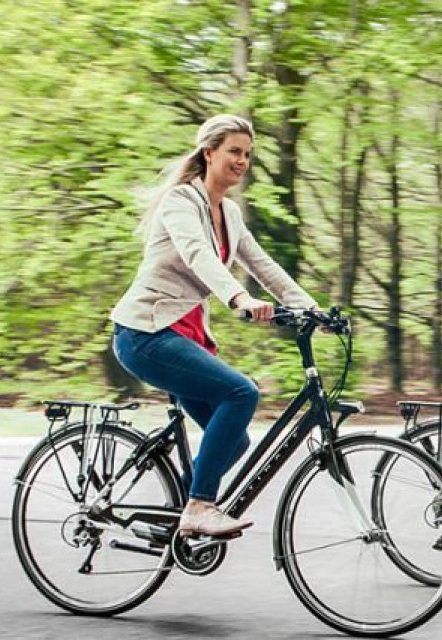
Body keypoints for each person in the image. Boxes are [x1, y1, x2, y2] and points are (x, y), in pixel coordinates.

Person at [111, 115, 319, 537]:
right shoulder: (180, 201)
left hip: (183, 338)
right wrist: (238, 298)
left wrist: (313, 310)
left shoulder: (230, 213)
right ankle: (199, 506)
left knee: (235, 441)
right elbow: (197, 255)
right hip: (146, 333)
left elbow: (264, 266)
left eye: (247, 154)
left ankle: (176, 522)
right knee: (241, 392)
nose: (242, 161)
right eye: (234, 152)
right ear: (209, 153)